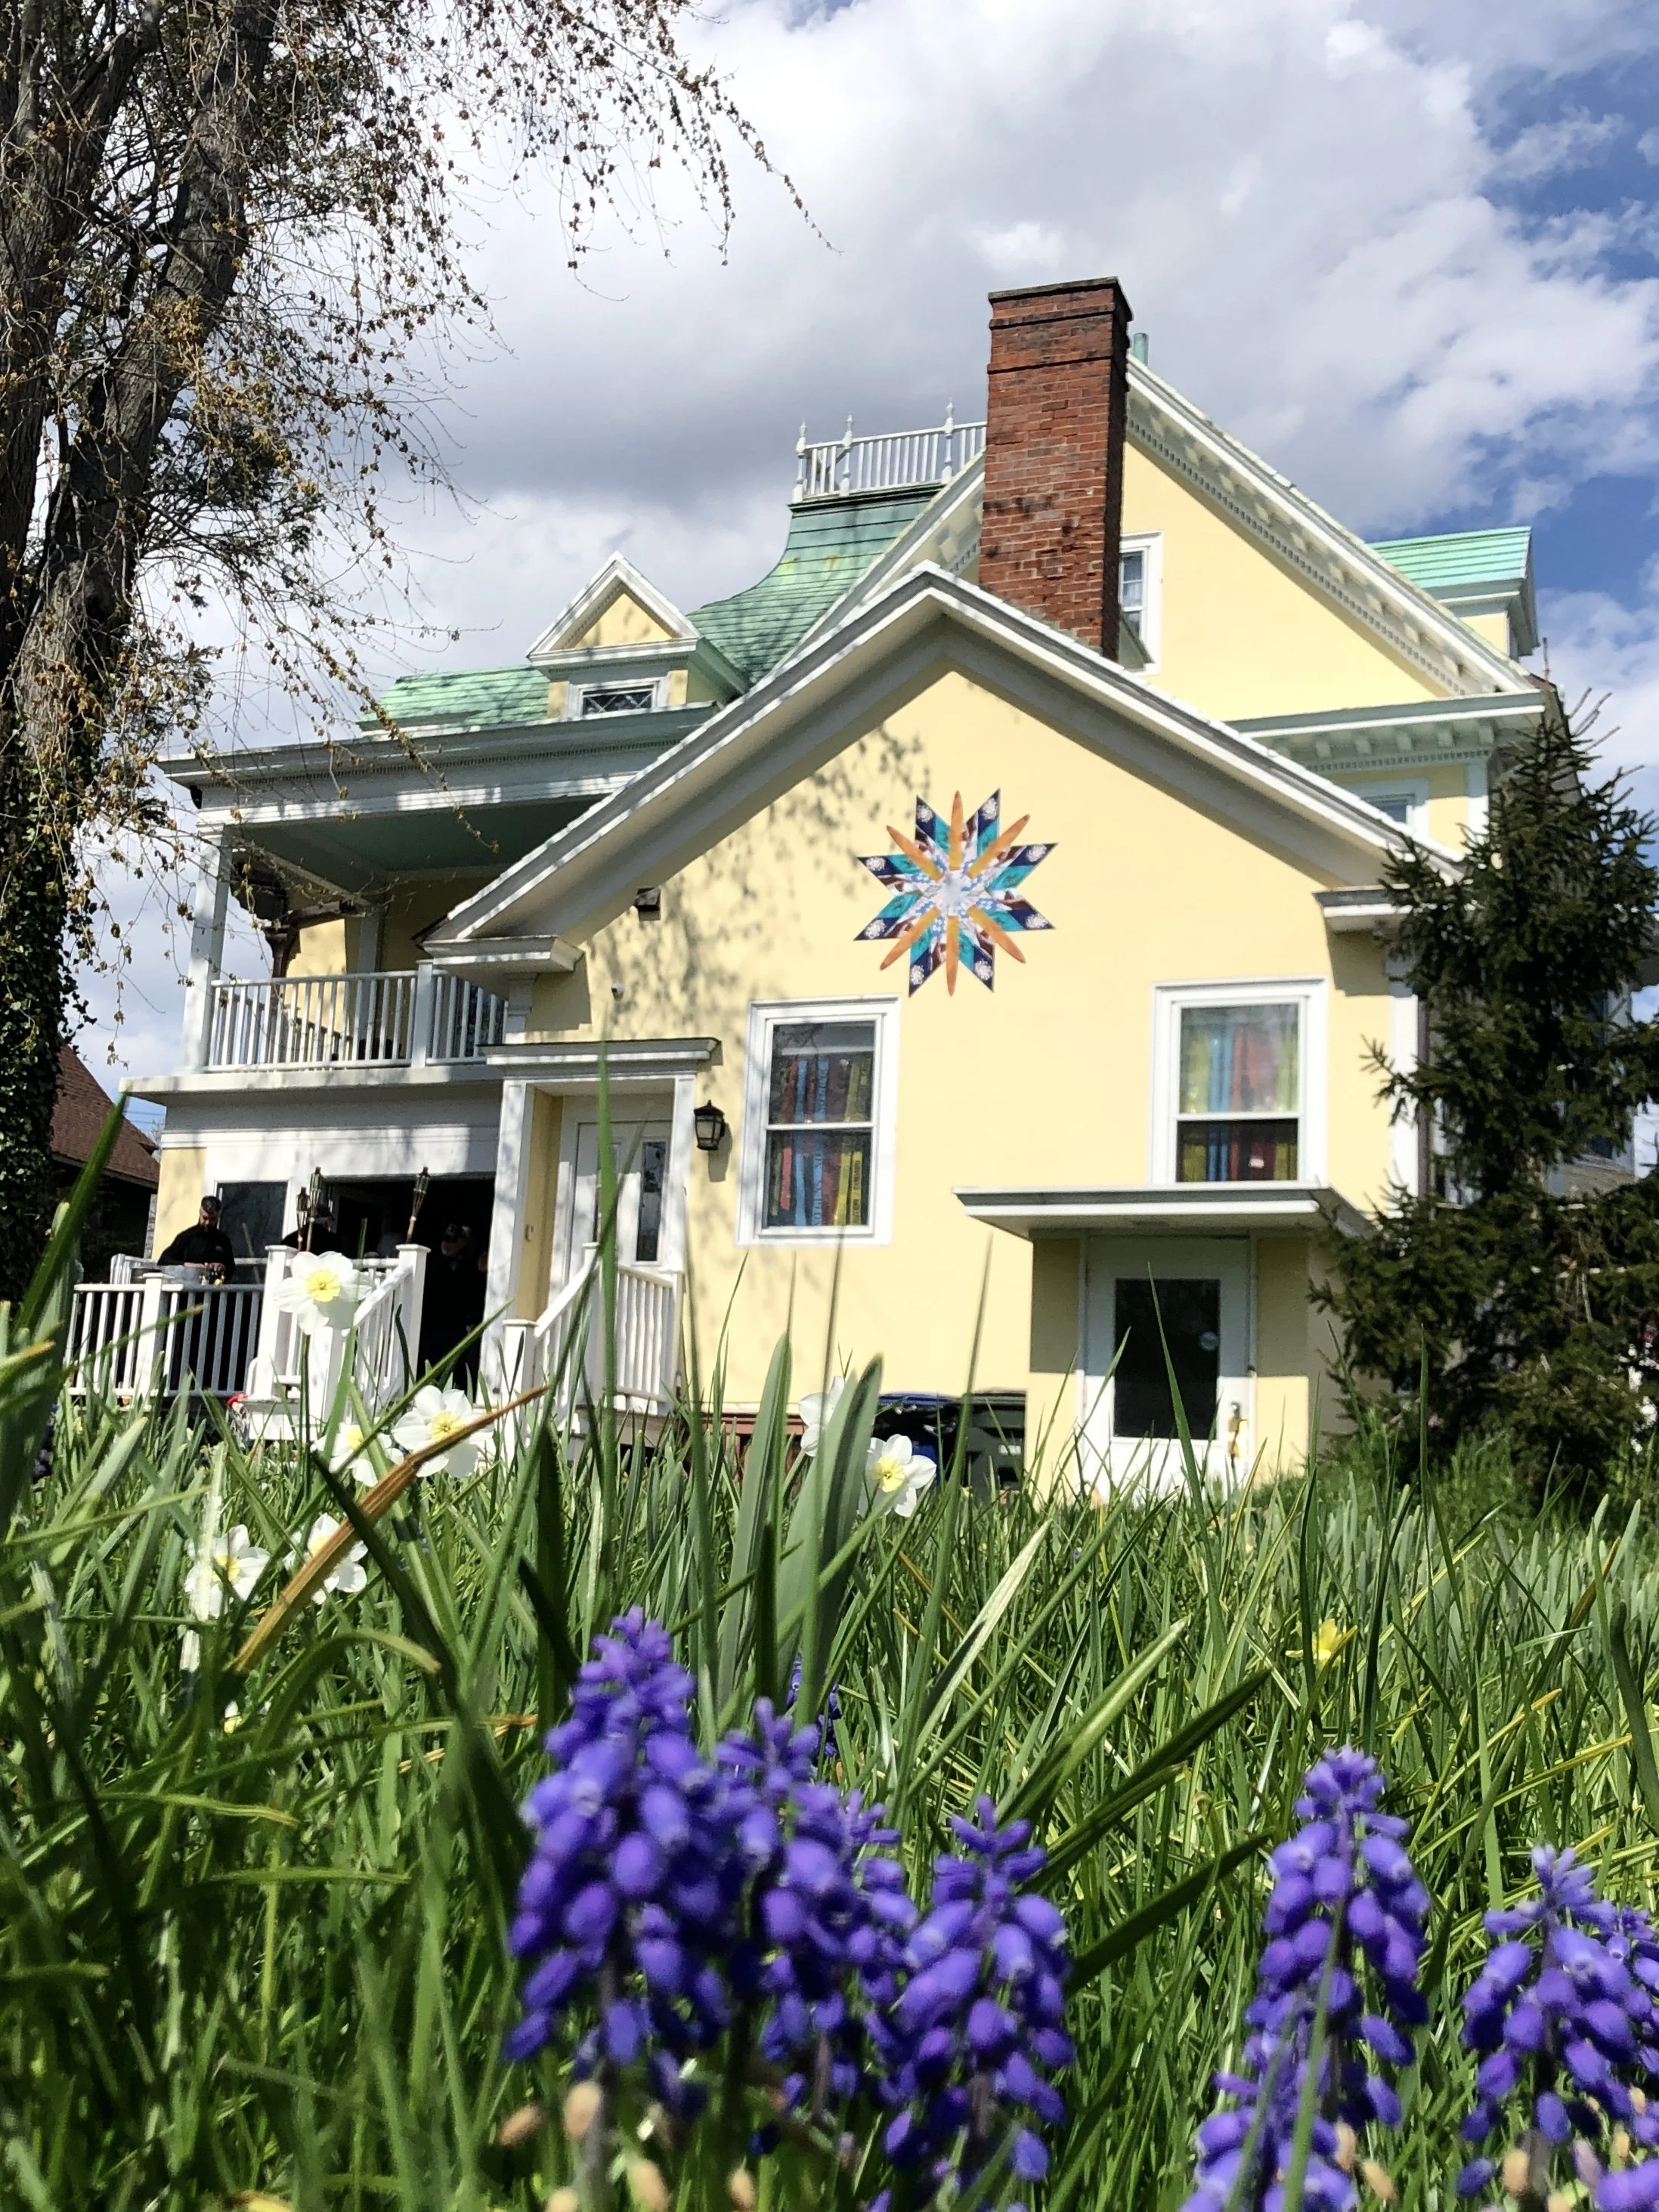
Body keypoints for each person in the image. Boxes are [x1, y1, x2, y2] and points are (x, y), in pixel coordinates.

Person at [158, 1196, 237, 1275]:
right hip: (188, 1281)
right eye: (205, 1218)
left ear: (218, 1217)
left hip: (214, 1282)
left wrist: (223, 1267)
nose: (208, 1223)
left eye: (212, 1219)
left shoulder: (223, 1240)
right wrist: (186, 1265)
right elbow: (163, 1261)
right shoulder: (186, 1237)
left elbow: (232, 1268)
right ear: (200, 1213)